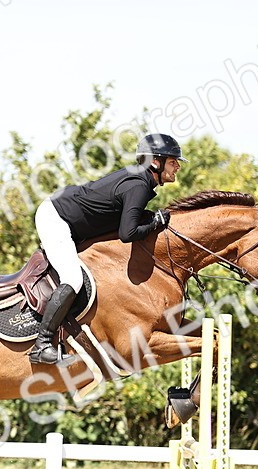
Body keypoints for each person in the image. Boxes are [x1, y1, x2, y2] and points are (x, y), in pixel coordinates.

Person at [29, 133, 185, 365]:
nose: (178, 167)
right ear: (155, 161)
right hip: (56, 218)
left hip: (69, 220)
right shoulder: (139, 185)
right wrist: (156, 222)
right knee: (73, 279)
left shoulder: (140, 180)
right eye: (173, 162)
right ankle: (41, 345)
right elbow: (128, 234)